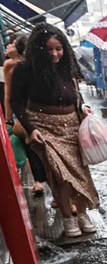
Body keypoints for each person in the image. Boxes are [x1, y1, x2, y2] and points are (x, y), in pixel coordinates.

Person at [10, 23, 100, 238]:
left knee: (80, 172)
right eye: (49, 49)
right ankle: (68, 218)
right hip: (43, 126)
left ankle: (83, 215)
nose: (54, 53)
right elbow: (16, 101)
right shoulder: (24, 68)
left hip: (72, 125)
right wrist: (31, 129)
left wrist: (82, 107)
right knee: (59, 176)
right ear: (38, 48)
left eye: (58, 48)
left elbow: (76, 94)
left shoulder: (66, 64)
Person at [4, 33, 48, 197]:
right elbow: (9, 94)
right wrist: (9, 120)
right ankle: (38, 180)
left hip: (42, 109)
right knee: (31, 145)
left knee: (46, 148)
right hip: (23, 111)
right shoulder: (10, 65)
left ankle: (59, 190)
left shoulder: (40, 64)